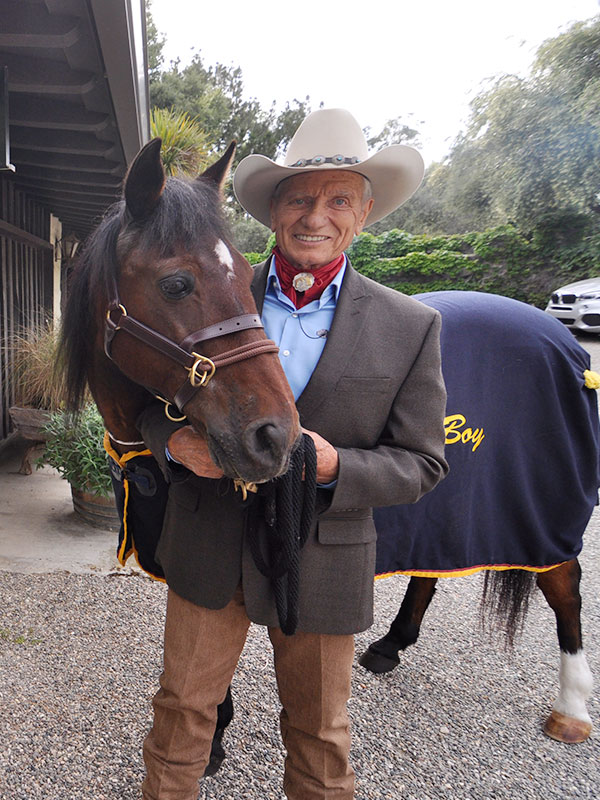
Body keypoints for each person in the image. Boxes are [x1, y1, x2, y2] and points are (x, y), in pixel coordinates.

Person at [137, 108, 449, 799]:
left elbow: (423, 464)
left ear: (364, 214)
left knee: (320, 734)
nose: (317, 215)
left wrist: (337, 466)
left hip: (323, 559)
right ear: (274, 210)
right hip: (209, 546)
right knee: (181, 715)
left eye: (339, 199)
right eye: (301, 197)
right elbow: (143, 401)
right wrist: (179, 442)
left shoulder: (410, 326)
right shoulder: (208, 289)